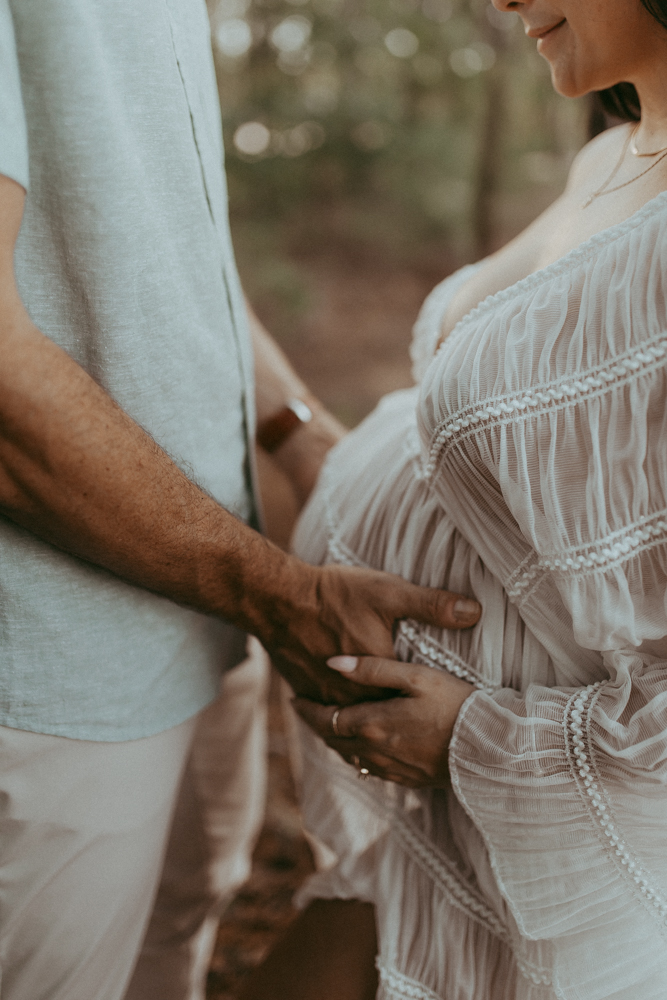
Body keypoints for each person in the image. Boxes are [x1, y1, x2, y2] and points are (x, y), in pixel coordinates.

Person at [0, 3, 482, 999]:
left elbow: (171, 246)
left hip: (205, 623)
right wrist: (277, 594)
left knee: (174, 944)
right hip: (53, 665)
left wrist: (296, 436)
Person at [238, 1, 667, 998]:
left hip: (529, 863)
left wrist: (476, 741)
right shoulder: (614, 155)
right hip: (413, 845)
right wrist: (305, 450)